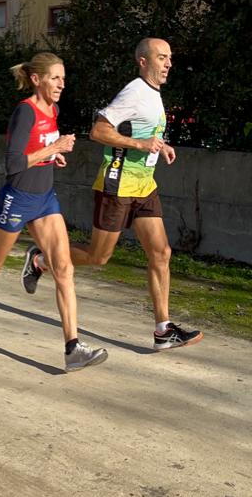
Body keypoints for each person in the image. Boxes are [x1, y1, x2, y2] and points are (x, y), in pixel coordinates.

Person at [0, 52, 108, 371]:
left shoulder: (53, 109)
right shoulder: (24, 112)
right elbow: (12, 165)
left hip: (45, 199)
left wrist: (53, 156)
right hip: (18, 198)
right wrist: (53, 149)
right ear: (37, 79)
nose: (61, 84)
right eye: (55, 78)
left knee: (64, 268)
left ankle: (72, 348)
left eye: (63, 78)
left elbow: (35, 150)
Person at [21, 38, 202, 351]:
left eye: (170, 57)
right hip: (117, 186)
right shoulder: (133, 91)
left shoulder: (154, 94)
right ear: (143, 61)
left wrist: (159, 146)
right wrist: (140, 145)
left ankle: (163, 329)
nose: (168, 63)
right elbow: (99, 131)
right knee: (98, 256)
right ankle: (41, 260)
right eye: (162, 58)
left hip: (144, 185)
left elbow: (144, 132)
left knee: (161, 253)